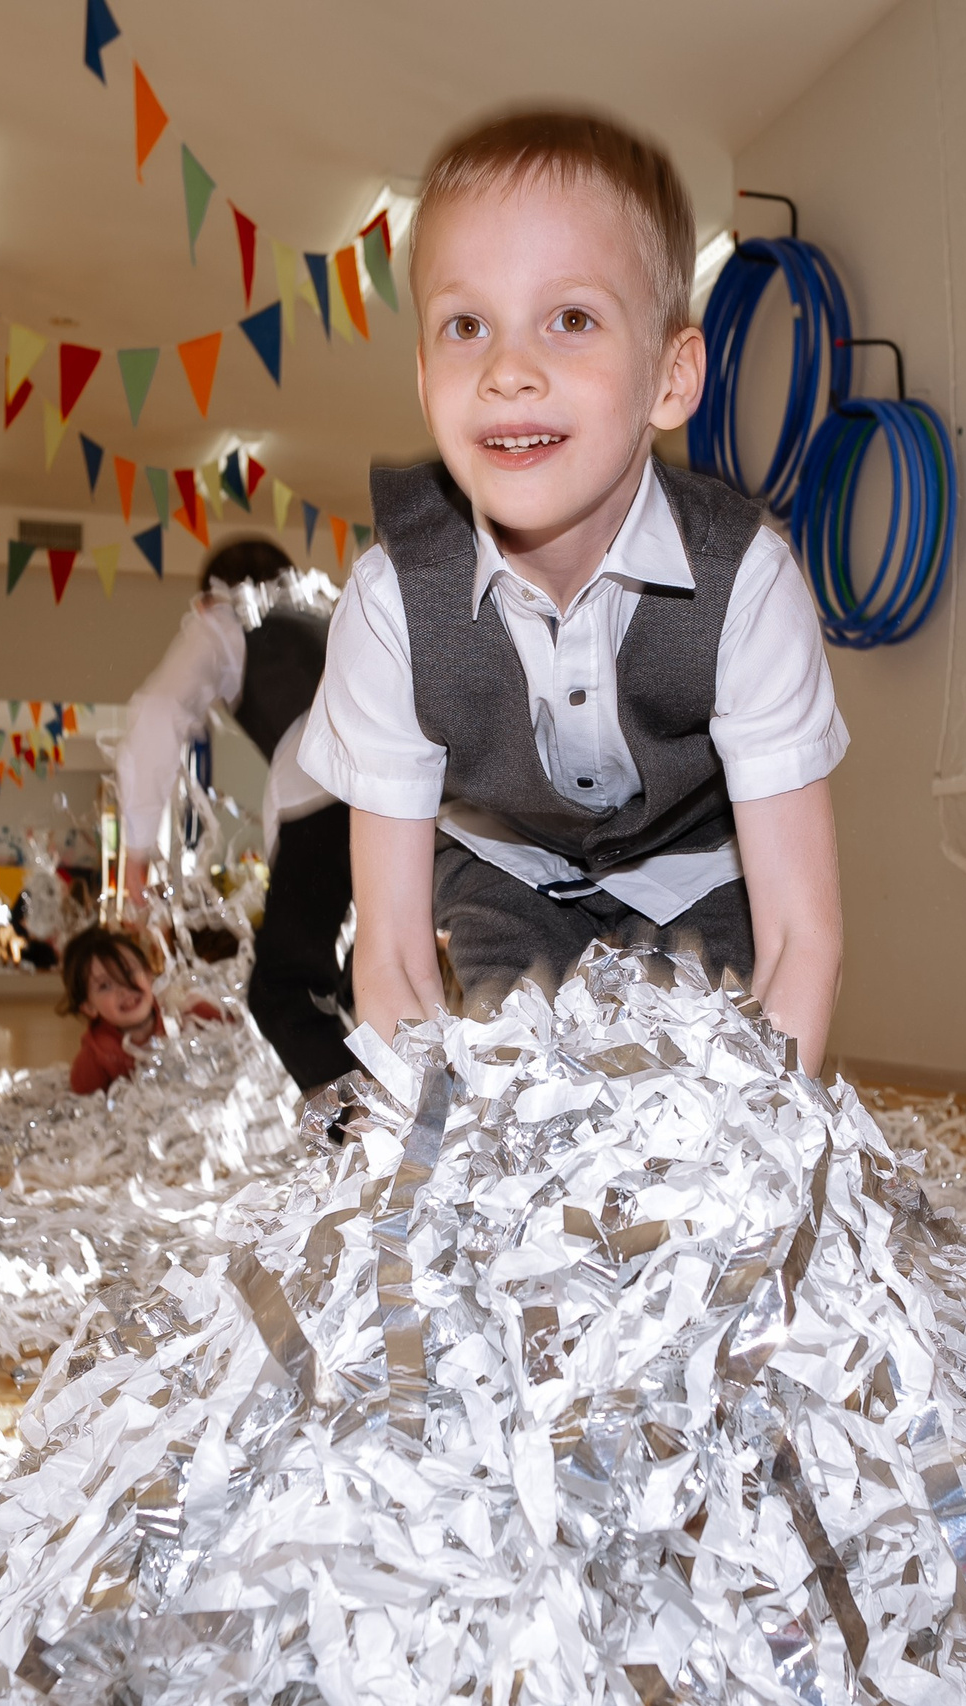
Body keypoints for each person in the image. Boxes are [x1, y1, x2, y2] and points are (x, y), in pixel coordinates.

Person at [298, 110, 848, 1072]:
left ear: (670, 379)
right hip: (502, 871)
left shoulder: (748, 583)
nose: (509, 370)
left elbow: (806, 937)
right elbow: (389, 956)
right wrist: (427, 1164)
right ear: (426, 380)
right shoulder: (391, 604)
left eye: (572, 319)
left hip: (699, 877)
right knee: (523, 1101)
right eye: (467, 326)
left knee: (693, 1092)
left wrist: (763, 1144)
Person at [115, 537, 353, 1091]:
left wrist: (134, 868)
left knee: (283, 992)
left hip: (328, 798)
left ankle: (371, 1137)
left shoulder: (225, 616)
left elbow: (155, 717)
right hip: (417, 801)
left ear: (207, 600)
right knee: (368, 980)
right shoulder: (337, 609)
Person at [58, 923, 222, 1094]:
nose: (124, 989)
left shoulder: (186, 1012)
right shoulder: (97, 1056)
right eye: (105, 986)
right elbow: (82, 1102)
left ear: (149, 974)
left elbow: (239, 1030)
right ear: (89, 1007)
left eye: (128, 972)